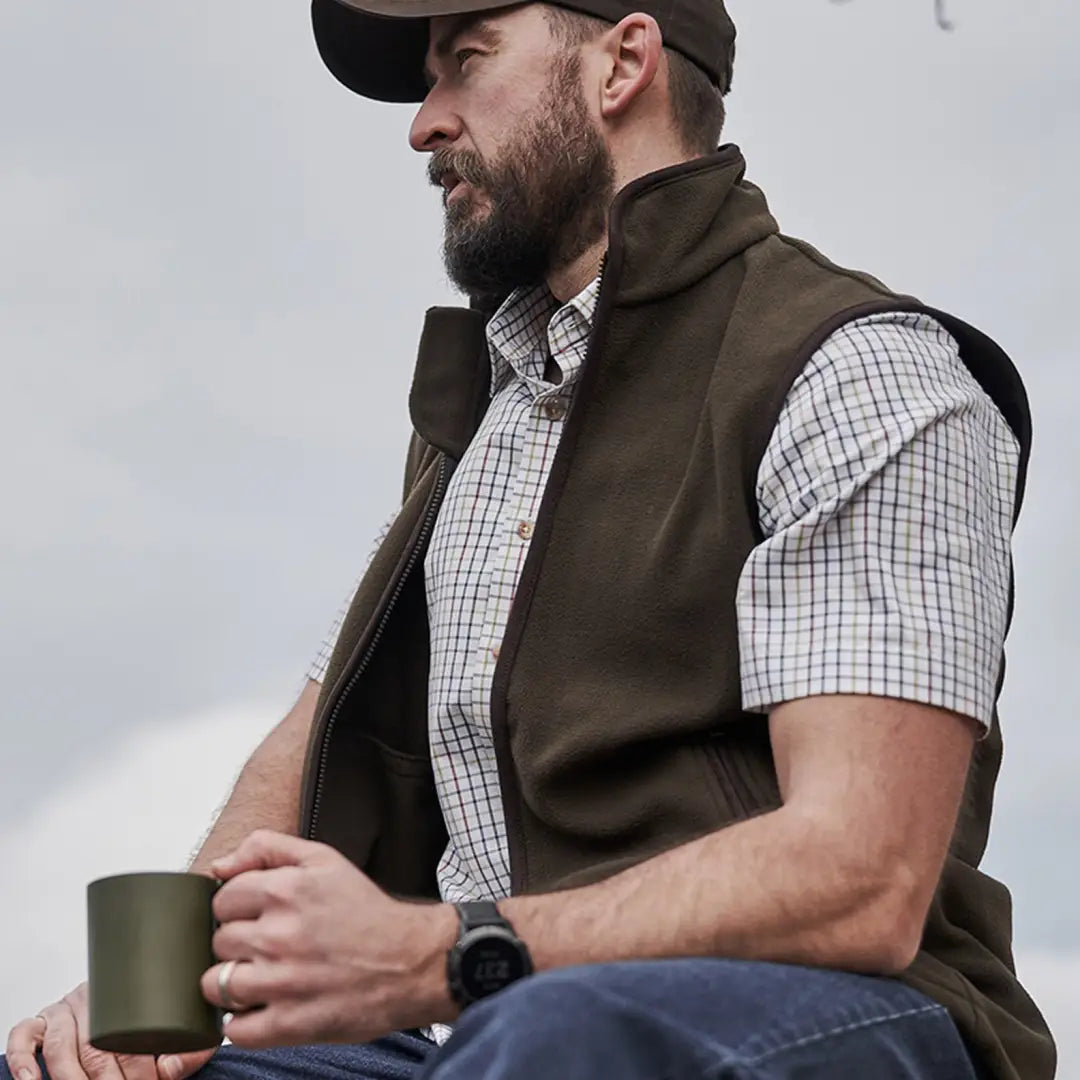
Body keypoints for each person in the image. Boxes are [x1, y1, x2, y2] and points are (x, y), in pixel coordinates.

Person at [4, 0, 1057, 1077]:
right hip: (498, 1020)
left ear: (624, 65)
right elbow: (314, 729)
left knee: (556, 1037)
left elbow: (864, 880)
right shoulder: (488, 415)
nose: (424, 124)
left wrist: (447, 950)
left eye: (465, 63)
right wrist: (163, 985)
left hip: (845, 1017)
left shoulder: (856, 374)